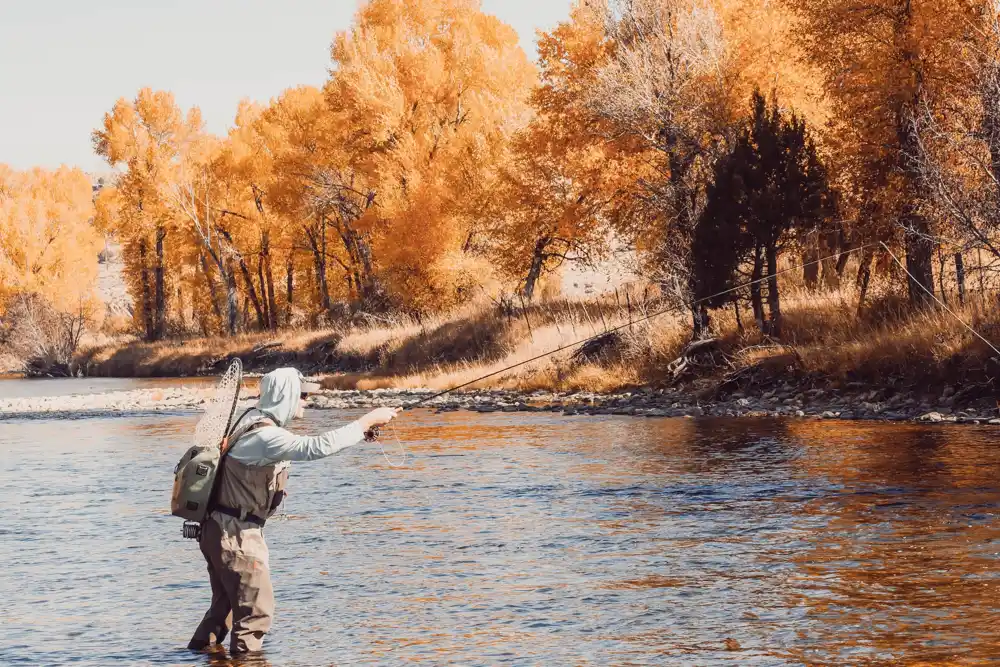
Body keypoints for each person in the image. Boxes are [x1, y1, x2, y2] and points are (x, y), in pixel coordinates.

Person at [188, 367, 399, 655]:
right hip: (236, 535)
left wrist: (361, 434)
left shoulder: (250, 420)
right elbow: (314, 447)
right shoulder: (266, 436)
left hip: (218, 530)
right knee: (256, 614)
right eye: (301, 395)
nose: (306, 401)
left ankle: (197, 656)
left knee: (223, 607)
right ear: (285, 396)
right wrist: (365, 421)